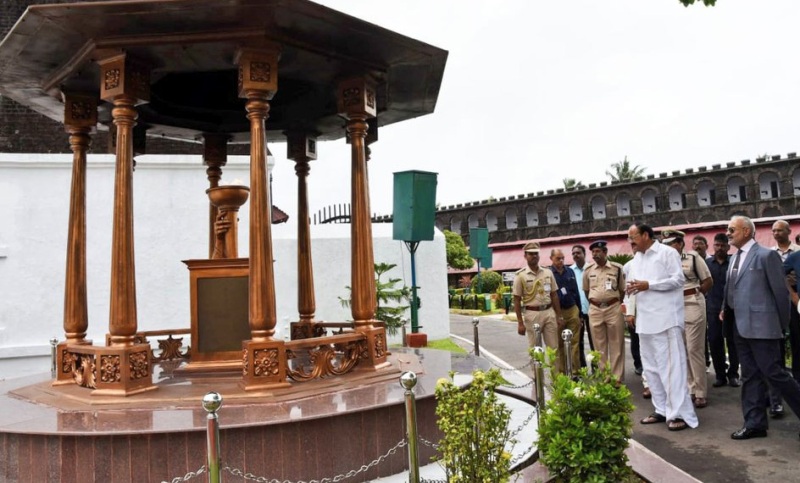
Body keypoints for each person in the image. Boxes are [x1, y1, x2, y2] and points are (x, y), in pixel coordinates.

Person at [724, 216, 800, 440]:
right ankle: (755, 423)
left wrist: (781, 325)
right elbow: (732, 290)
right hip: (739, 326)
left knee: (775, 374)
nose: (727, 233)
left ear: (746, 231)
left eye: (732, 230)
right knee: (749, 376)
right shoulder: (734, 258)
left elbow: (780, 294)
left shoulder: (767, 256)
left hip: (763, 327)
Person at [626, 222, 698, 431]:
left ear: (647, 235)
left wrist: (649, 285)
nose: (630, 241)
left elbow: (677, 281)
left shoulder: (667, 253)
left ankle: (680, 414)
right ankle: (661, 409)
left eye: (634, 237)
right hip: (645, 323)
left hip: (666, 321)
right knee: (651, 370)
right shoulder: (635, 260)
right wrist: (631, 297)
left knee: (672, 370)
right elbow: (633, 287)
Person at [661, 229, 713, 409]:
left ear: (681, 243)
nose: (669, 247)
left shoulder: (692, 257)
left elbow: (707, 280)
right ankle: (691, 388)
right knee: (682, 349)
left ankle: (700, 392)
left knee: (694, 349)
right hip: (674, 306)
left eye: (672, 243)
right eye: (666, 244)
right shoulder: (664, 261)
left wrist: (697, 295)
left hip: (692, 303)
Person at [513, 242, 565, 369]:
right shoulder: (520, 275)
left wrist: (559, 316)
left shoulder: (548, 273)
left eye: (536, 254)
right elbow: (516, 300)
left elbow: (554, 295)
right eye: (531, 254)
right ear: (525, 256)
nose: (534, 256)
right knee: (535, 350)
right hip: (532, 314)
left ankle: (557, 381)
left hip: (548, 312)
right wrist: (520, 322)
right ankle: (538, 381)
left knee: (554, 349)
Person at [582, 240, 626, 381]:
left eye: (598, 251)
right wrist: (596, 302)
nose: (595, 254)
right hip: (595, 309)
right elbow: (586, 290)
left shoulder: (616, 268)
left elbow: (621, 290)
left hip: (613, 308)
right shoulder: (588, 270)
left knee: (616, 343)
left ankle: (617, 377)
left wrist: (612, 301)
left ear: (605, 252)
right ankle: (605, 376)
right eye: (593, 252)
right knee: (598, 344)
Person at [706, 233, 740, 388]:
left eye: (722, 245)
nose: (719, 248)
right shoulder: (707, 264)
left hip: (731, 309)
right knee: (715, 342)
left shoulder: (734, 262)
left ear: (728, 246)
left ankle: (733, 374)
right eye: (717, 245)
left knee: (733, 342)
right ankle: (720, 375)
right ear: (713, 246)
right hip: (712, 309)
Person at [549, 249, 582, 375]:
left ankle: (575, 371)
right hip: (558, 312)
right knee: (559, 344)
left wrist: (580, 313)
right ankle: (562, 372)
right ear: (551, 258)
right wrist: (557, 315)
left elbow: (576, 292)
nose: (561, 261)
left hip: (572, 309)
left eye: (562, 258)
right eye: (558, 258)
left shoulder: (570, 271)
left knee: (574, 342)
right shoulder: (549, 273)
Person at [570, 245, 594, 367]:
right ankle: (582, 368)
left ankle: (596, 368)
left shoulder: (591, 268)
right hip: (576, 311)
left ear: (584, 254)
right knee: (578, 341)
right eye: (573, 253)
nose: (576, 255)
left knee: (594, 340)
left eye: (578, 253)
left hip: (592, 310)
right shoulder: (570, 270)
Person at [692, 234, 712, 369]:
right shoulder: (690, 261)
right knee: (700, 334)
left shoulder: (711, 261)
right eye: (695, 243)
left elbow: (709, 281)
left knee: (716, 335)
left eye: (700, 243)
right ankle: (704, 362)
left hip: (713, 302)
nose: (697, 246)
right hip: (697, 303)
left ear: (707, 246)